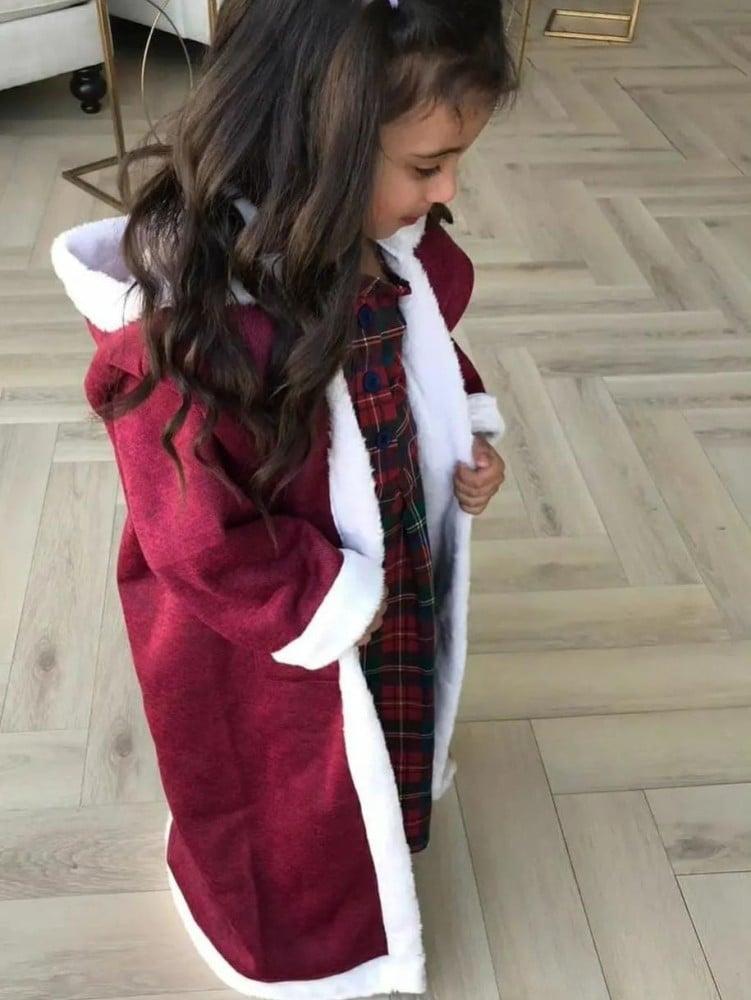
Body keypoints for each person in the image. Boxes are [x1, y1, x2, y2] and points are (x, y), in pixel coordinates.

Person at [50, 0, 513, 996]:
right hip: (271, 615)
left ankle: (381, 824)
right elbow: (193, 532)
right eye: (427, 165)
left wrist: (462, 430)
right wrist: (320, 599)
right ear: (319, 144)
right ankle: (301, 940)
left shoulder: (386, 249)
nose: (447, 191)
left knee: (374, 732)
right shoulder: (196, 331)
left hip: (382, 571)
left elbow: (423, 355)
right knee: (281, 784)